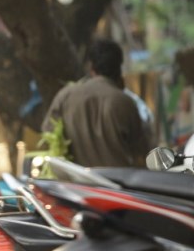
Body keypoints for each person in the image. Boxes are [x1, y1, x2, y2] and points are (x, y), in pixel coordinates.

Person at [41, 39, 151, 167]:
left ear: (91, 67)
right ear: (119, 68)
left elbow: (47, 138)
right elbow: (141, 152)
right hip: (119, 183)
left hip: (77, 182)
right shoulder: (125, 102)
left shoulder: (65, 96)